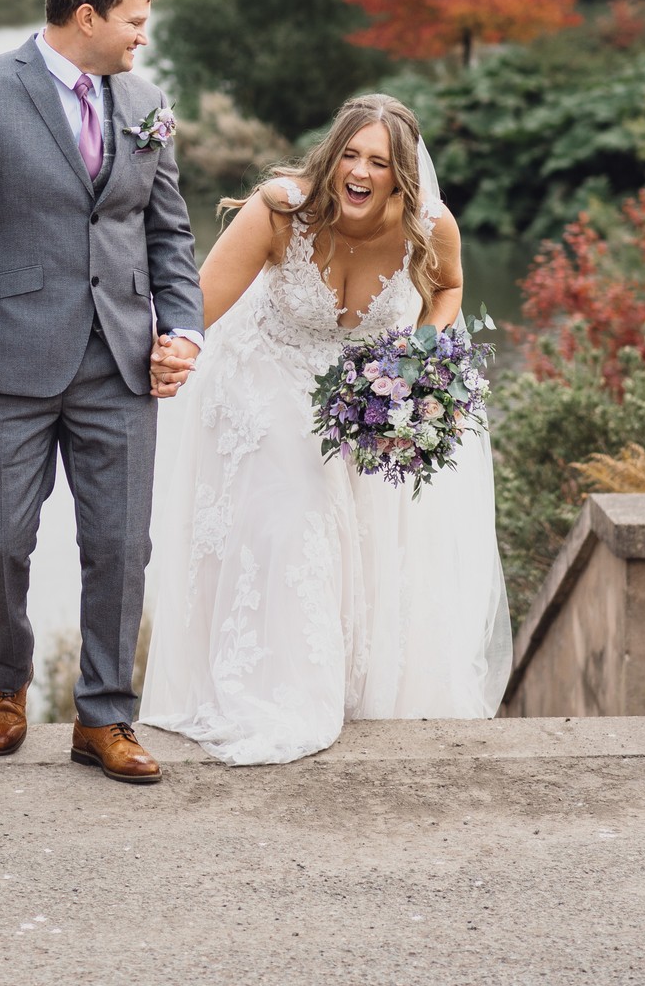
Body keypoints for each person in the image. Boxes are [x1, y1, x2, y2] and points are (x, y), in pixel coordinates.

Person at [139, 94, 511, 765]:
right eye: (349, 155)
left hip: (359, 383)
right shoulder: (281, 210)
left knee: (359, 532)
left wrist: (415, 357)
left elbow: (449, 289)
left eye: (378, 162)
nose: (360, 172)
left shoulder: (430, 226)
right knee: (296, 514)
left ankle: (345, 685)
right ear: (330, 157)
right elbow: (201, 300)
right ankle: (278, 695)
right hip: (265, 371)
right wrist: (181, 349)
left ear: (402, 175)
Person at [0, 0, 203, 783]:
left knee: (121, 546)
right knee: (0, 543)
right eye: (134, 23)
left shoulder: (148, 104)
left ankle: (104, 718)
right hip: (7, 358)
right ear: (87, 18)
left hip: (119, 360)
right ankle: (6, 682)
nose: (142, 41)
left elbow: (169, 234)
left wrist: (182, 328)